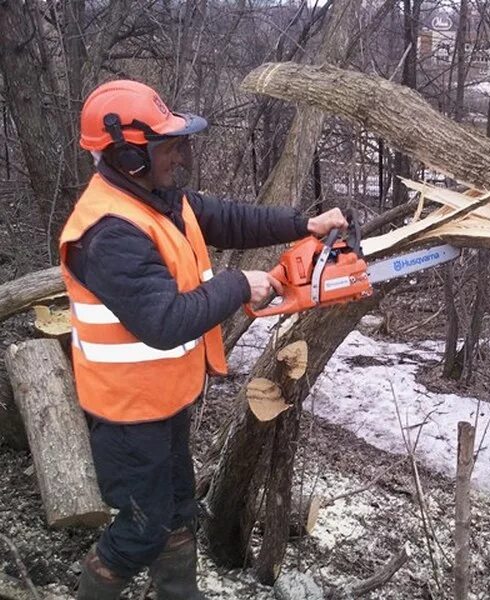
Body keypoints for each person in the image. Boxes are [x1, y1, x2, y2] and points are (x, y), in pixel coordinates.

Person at [59, 80, 347, 599]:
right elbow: (163, 320)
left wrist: (303, 222)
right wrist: (240, 284)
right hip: (127, 413)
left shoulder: (158, 198)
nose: (182, 152)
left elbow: (227, 217)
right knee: (140, 529)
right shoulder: (109, 232)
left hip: (163, 398)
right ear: (128, 156)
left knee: (176, 511)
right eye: (169, 144)